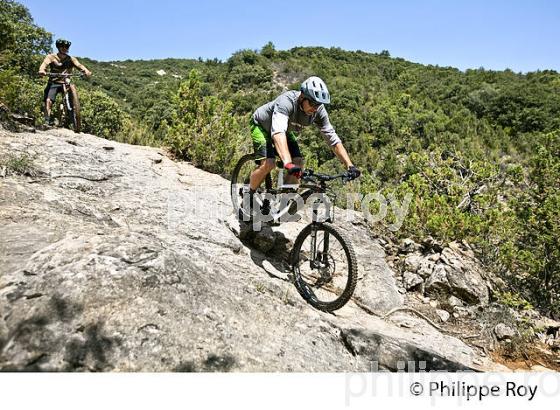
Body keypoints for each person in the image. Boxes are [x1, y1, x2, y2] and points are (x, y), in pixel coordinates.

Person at [248, 76, 360, 212]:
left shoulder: (318, 111)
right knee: (269, 163)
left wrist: (350, 165)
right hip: (262, 126)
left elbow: (332, 139)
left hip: (285, 130)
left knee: (299, 163)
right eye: (312, 103)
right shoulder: (287, 102)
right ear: (302, 97)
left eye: (318, 105)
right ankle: (249, 195)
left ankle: (283, 205)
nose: (315, 108)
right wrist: (287, 163)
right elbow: (277, 133)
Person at [38, 38, 92, 125]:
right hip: (54, 82)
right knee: (48, 101)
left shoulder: (71, 59)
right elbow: (44, 64)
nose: (65, 48)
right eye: (62, 46)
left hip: (66, 82)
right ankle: (46, 120)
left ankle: (72, 118)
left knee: (73, 97)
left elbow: (79, 65)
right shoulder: (51, 57)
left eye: (66, 47)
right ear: (58, 47)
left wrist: (86, 71)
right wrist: (42, 70)